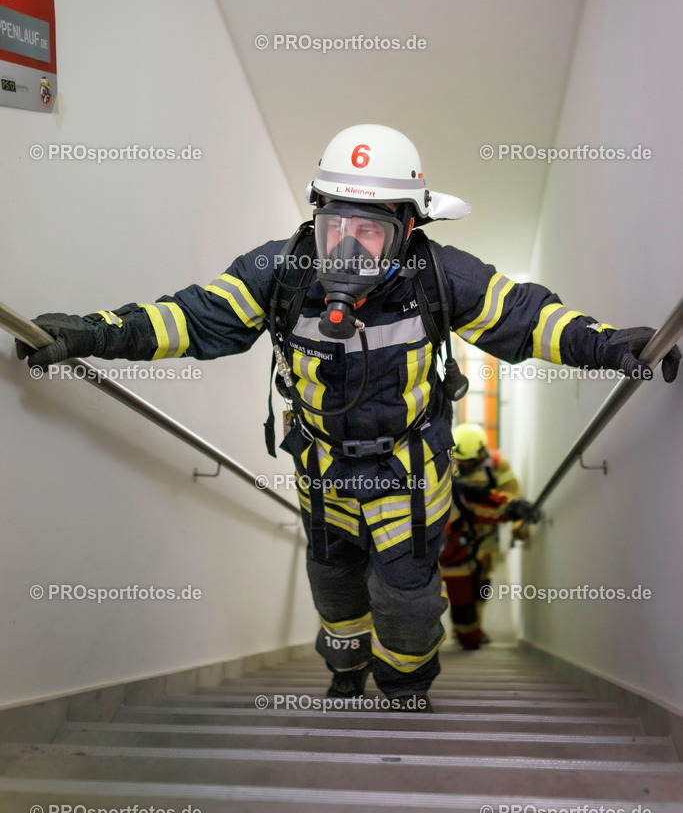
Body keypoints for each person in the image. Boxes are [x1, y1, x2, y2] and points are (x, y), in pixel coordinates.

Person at [16, 124, 680, 711]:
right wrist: (93, 333)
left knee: (409, 600)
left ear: (408, 227)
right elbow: (188, 318)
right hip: (321, 467)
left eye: (371, 231)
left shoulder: (438, 276)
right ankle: (345, 669)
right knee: (334, 588)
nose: (350, 249)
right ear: (318, 215)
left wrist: (608, 343)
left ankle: (404, 689)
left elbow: (528, 317)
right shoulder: (277, 272)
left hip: (409, 469)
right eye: (338, 226)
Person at [440, 422, 534, 649]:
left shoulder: (497, 465)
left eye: (468, 461)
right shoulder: (444, 463)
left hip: (486, 534)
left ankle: (475, 625)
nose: (463, 466)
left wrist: (518, 523)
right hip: (458, 532)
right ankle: (465, 629)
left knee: (482, 582)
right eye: (459, 460)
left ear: (481, 454)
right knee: (458, 581)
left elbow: (512, 496)